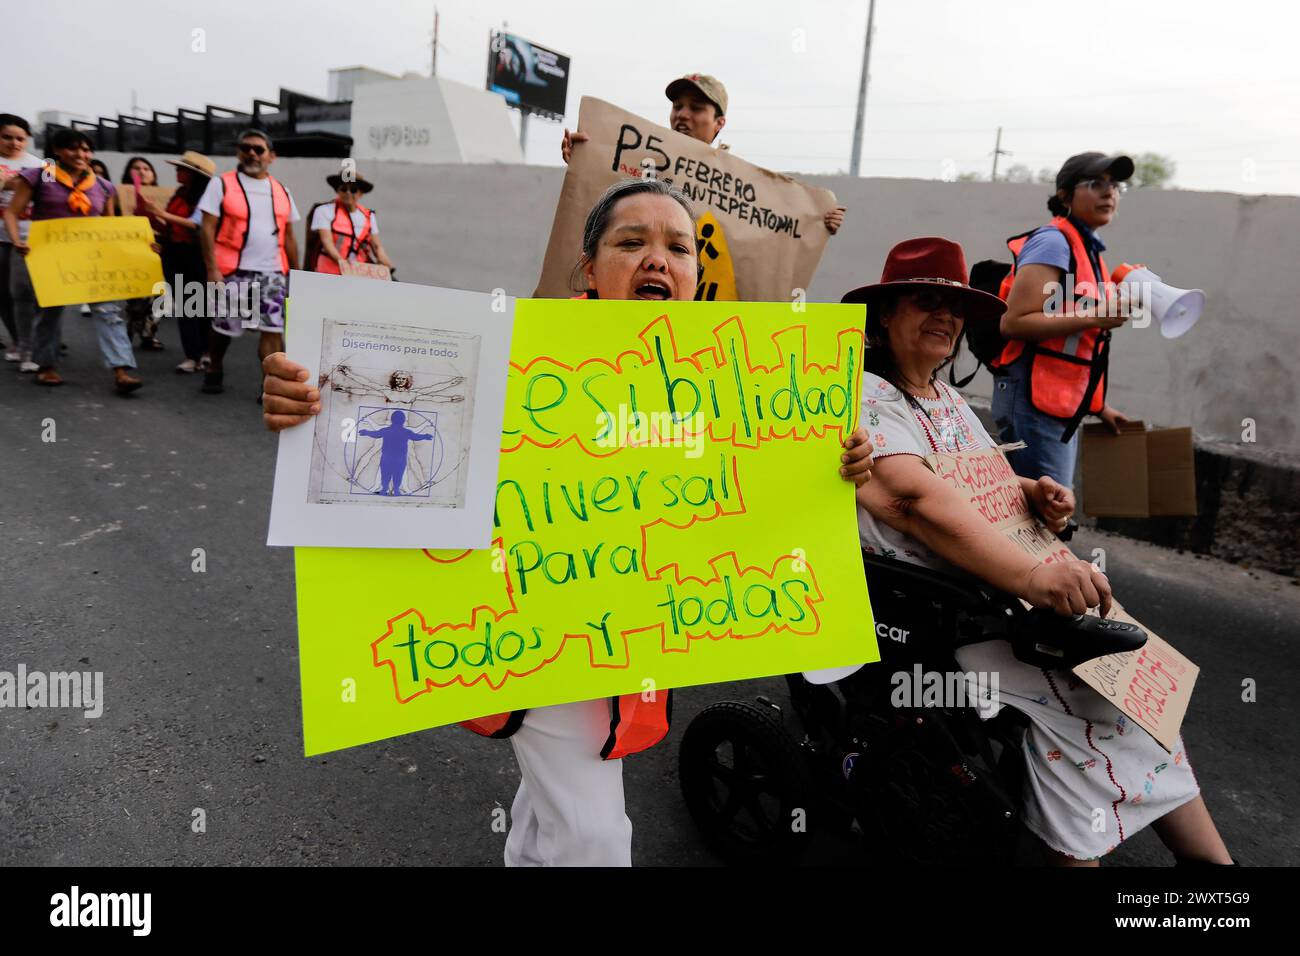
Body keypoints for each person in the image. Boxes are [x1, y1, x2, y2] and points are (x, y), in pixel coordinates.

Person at [260, 178, 877, 865]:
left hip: (631, 633)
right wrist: (307, 403)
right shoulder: (518, 355)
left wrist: (835, 465)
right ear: (589, 268)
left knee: (559, 808)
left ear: (696, 276)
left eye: (677, 247)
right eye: (631, 242)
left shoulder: (734, 375)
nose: (656, 259)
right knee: (594, 837)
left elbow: (760, 492)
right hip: (539, 633)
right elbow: (387, 427)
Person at [835, 235, 1232, 866]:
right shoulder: (862, 395)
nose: (946, 319)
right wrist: (1031, 576)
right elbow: (914, 500)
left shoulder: (948, 400)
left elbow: (972, 479)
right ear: (886, 314)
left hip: (992, 593)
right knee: (1091, 707)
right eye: (925, 302)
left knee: (1134, 693)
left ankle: (1211, 871)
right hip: (930, 608)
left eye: (955, 308)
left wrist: (1030, 493)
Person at [990, 152, 1134, 488]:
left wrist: (1099, 407)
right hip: (1031, 398)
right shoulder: (1054, 242)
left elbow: (1077, 347)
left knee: (1045, 515)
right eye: (1096, 184)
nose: (1109, 192)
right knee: (1046, 513)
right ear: (1065, 196)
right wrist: (1094, 316)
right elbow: (1014, 322)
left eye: (1114, 186)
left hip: (1057, 401)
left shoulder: (1089, 250)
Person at [561, 73, 847, 236]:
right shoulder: (637, 160)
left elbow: (771, 235)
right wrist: (585, 160)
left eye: (696, 108)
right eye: (677, 106)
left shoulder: (738, 186)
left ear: (719, 123)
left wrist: (816, 222)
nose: (682, 115)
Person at [2, 128, 142, 392]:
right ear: (56, 150)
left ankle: (121, 370)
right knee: (50, 313)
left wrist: (140, 247)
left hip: (93, 260)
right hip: (52, 257)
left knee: (108, 311)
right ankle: (45, 366)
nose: (81, 154)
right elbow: (12, 212)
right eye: (73, 148)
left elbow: (111, 227)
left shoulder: (103, 185)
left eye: (87, 149)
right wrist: (18, 240)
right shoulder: (39, 177)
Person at [197, 128, 300, 395]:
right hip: (233, 271)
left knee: (272, 329)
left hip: (273, 272)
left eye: (258, 149)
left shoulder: (282, 191)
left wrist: (297, 275)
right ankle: (214, 366)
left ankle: (271, 385)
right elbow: (207, 228)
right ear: (238, 152)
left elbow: (289, 235)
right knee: (225, 328)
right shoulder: (222, 184)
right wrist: (212, 269)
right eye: (246, 148)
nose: (251, 153)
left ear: (271, 156)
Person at [137, 150, 215, 373]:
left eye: (182, 169)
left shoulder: (206, 198)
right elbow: (174, 226)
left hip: (197, 255)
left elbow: (195, 225)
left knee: (203, 307)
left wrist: (159, 212)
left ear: (193, 175)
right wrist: (155, 227)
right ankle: (192, 355)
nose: (177, 171)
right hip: (175, 254)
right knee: (186, 308)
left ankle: (207, 353)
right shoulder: (180, 193)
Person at [0, 113, 44, 369]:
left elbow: (51, 197)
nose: (14, 143)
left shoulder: (41, 165)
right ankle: (18, 340)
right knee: (3, 293)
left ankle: (36, 338)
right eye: (7, 137)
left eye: (20, 138)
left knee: (28, 293)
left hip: (28, 237)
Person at [309, 171, 394, 276]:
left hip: (359, 272)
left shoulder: (368, 215)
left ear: (361, 193)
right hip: (329, 272)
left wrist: (384, 261)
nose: (348, 193)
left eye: (353, 190)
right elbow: (327, 242)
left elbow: (377, 246)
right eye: (344, 189)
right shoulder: (324, 211)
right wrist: (343, 263)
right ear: (337, 191)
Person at [119, 156, 165, 351]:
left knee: (158, 296)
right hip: (130, 251)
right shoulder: (119, 196)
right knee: (136, 298)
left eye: (146, 168)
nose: (141, 171)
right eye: (136, 168)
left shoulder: (165, 197)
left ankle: (148, 332)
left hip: (157, 249)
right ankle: (130, 331)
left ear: (153, 174)